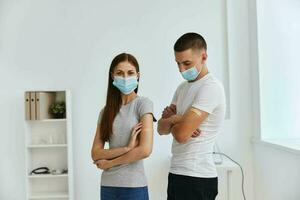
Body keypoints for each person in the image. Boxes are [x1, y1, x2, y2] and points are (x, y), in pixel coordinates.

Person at [157, 32, 226, 200]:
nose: (181, 70)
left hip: (197, 178)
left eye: (187, 63)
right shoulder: (182, 88)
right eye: (178, 63)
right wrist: (180, 120)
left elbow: (181, 135)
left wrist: (172, 119)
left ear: (204, 57)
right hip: (176, 173)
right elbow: (160, 128)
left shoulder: (211, 88)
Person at [91, 53, 156, 200]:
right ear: (113, 76)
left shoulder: (143, 104)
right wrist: (127, 149)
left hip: (133, 186)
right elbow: (95, 153)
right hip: (108, 186)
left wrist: (110, 163)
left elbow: (145, 150)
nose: (125, 77)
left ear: (138, 76)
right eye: (120, 73)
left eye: (130, 73)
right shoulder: (106, 111)